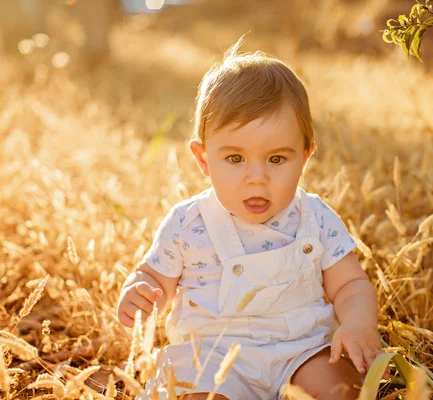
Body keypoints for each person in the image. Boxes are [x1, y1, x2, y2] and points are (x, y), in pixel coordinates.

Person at [116, 37, 386, 400]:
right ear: (203, 159)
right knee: (198, 394)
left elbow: (351, 284)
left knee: (341, 386)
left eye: (276, 159)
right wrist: (139, 293)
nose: (256, 177)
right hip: (211, 357)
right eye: (235, 159)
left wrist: (357, 322)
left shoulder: (315, 218)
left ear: (305, 158)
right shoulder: (187, 223)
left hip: (302, 351)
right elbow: (154, 278)